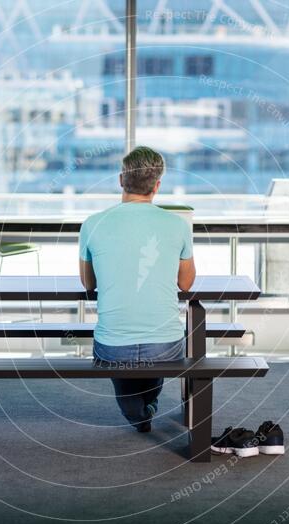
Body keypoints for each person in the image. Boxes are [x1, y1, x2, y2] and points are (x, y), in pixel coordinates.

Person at [79, 146, 196, 432]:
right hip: (165, 346)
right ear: (157, 185)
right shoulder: (177, 225)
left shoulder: (92, 224)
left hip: (113, 348)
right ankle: (148, 404)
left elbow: (88, 283)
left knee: (129, 391)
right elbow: (186, 283)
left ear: (121, 180)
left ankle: (139, 411)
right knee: (155, 354)